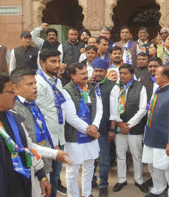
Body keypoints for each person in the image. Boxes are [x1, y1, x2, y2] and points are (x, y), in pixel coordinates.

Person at [0, 73, 47, 197]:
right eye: (11, 91)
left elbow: (29, 147)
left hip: (22, 187)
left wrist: (41, 175)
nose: (15, 94)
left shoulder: (14, 117)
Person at [11, 68, 73, 196]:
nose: (35, 87)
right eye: (29, 84)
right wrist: (52, 153)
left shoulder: (32, 104)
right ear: (15, 88)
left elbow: (42, 128)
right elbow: (26, 144)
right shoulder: (15, 110)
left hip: (44, 161)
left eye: (35, 83)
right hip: (31, 167)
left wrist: (51, 146)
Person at [142, 65, 169, 197]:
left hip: (166, 139)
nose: (154, 76)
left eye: (157, 74)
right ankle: (158, 189)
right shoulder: (159, 89)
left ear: (165, 77)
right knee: (153, 166)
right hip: (152, 136)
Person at [62, 63, 102, 197]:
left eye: (86, 73)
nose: (86, 76)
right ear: (73, 76)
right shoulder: (66, 91)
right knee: (72, 170)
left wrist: (95, 126)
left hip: (90, 135)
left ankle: (87, 193)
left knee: (89, 166)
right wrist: (88, 129)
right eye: (82, 74)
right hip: (74, 137)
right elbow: (70, 116)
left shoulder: (91, 88)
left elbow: (99, 108)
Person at [35, 49, 67, 196]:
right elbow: (37, 116)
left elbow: (59, 107)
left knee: (55, 178)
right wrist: (50, 141)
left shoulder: (58, 81)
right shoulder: (37, 83)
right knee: (45, 179)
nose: (57, 65)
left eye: (58, 61)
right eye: (53, 61)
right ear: (42, 62)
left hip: (59, 136)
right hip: (47, 141)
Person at [113, 64, 148, 193]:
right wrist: (120, 123)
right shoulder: (115, 87)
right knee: (120, 155)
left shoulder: (140, 87)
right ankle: (121, 179)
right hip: (119, 127)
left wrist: (129, 125)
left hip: (135, 128)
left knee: (137, 155)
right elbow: (112, 107)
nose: (122, 76)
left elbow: (143, 109)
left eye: (125, 73)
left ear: (132, 74)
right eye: (120, 73)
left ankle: (139, 180)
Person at [90, 59, 121, 197]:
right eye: (96, 71)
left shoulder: (112, 87)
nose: (98, 74)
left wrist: (112, 129)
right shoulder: (88, 85)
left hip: (104, 128)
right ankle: (91, 181)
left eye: (101, 71)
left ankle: (103, 184)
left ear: (106, 72)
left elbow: (115, 111)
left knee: (103, 159)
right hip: (89, 128)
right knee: (90, 158)